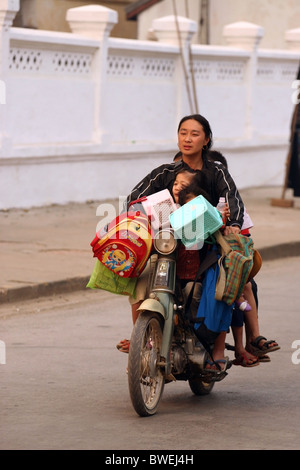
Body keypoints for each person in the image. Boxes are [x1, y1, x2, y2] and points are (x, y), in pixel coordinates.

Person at [117, 114, 245, 370]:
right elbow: (134, 198)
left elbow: (234, 200)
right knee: (137, 280)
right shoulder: (165, 172)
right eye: (183, 132)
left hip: (206, 245)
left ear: (206, 139)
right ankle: (140, 337)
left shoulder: (216, 172)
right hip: (168, 244)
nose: (187, 139)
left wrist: (233, 225)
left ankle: (218, 349)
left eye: (194, 134)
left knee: (222, 286)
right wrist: (134, 219)